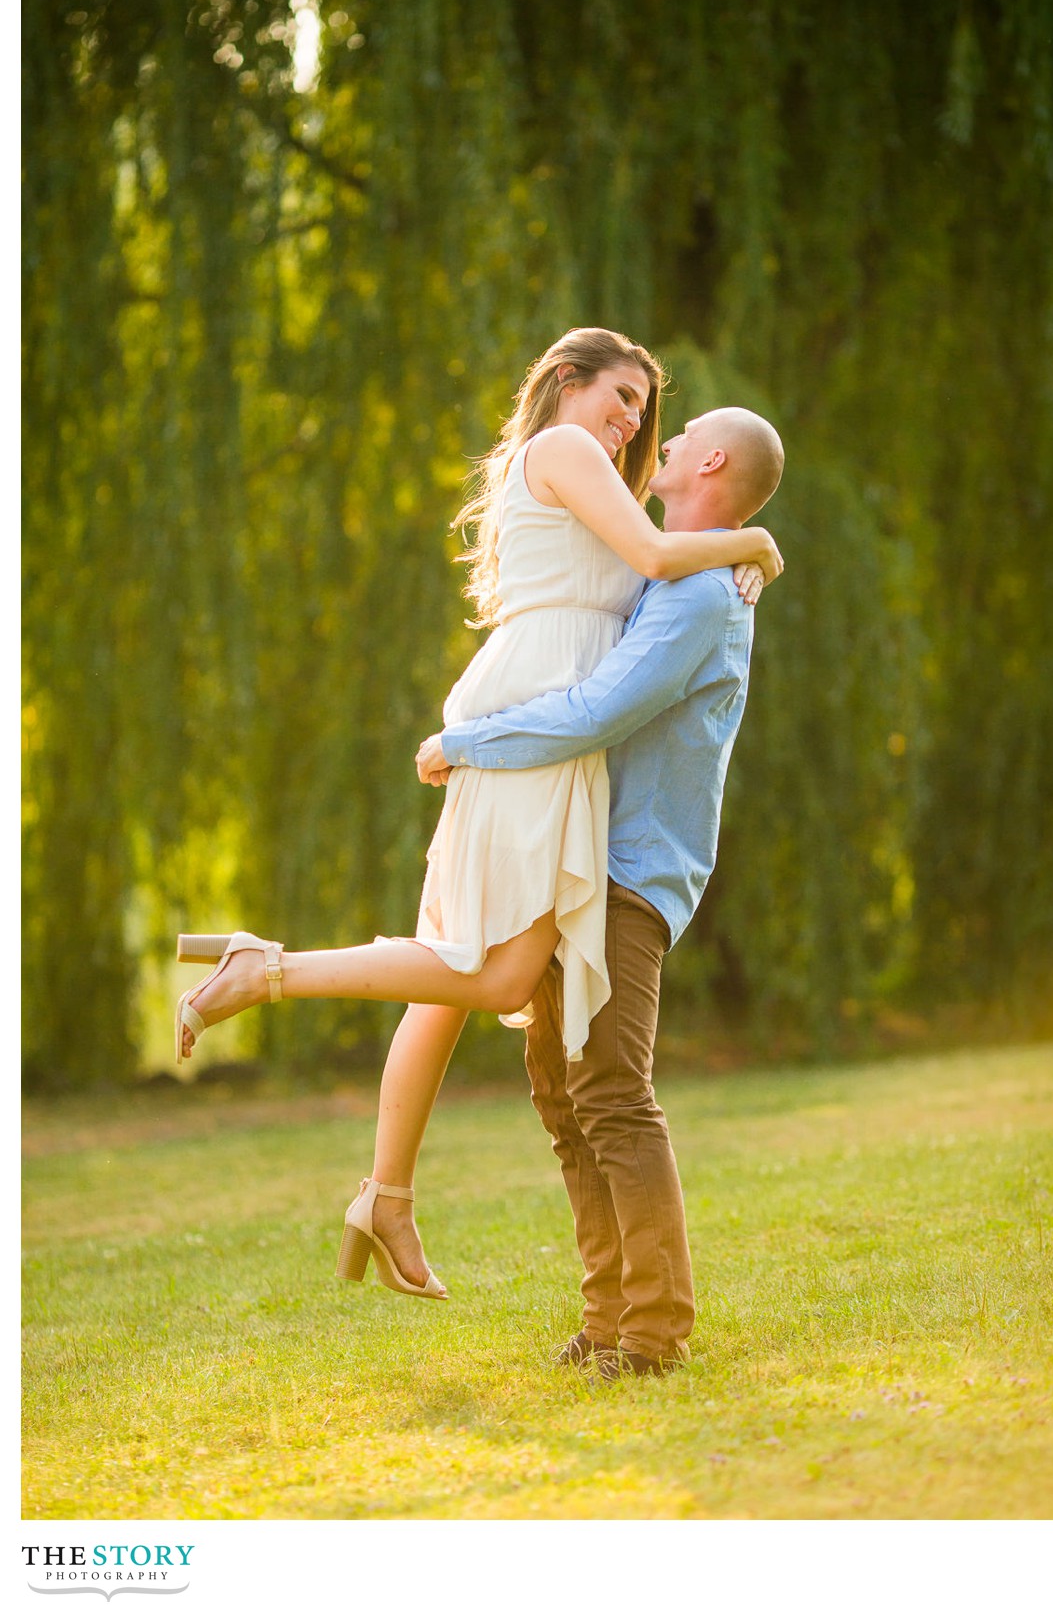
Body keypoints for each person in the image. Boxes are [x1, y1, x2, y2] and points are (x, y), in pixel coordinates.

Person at [174, 329, 782, 1303]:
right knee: (488, 971)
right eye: (621, 394)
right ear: (565, 379)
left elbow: (657, 568)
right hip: (538, 721)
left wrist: (734, 553)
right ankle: (274, 972)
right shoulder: (570, 452)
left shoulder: (599, 486)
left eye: (647, 411)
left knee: (464, 969)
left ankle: (387, 1187)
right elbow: (662, 556)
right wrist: (754, 540)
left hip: (548, 730)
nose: (635, 422)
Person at [414, 402, 785, 1376]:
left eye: (678, 432)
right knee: (562, 1091)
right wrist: (760, 544)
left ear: (708, 458)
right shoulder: (681, 569)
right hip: (578, 856)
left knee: (612, 1088)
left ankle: (655, 1330)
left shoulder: (703, 596)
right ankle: (607, 1315)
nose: (656, 440)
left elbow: (597, 710)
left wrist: (467, 742)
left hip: (629, 871)